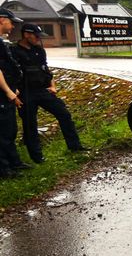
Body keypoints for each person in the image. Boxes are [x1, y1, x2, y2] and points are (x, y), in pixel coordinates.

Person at [11, 23, 89, 164]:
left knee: (64, 114)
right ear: (26, 34)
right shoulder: (13, 51)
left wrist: (52, 86)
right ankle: (37, 157)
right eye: (36, 36)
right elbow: (9, 74)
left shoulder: (39, 51)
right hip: (25, 93)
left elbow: (46, 70)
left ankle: (75, 146)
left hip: (42, 90)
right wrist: (14, 93)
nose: (38, 39)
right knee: (30, 125)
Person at [0, 8, 32, 177]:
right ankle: (4, 169)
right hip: (2, 95)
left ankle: (15, 163)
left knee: (10, 129)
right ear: (1, 20)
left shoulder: (1, 42)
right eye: (11, 22)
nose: (13, 26)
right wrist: (8, 91)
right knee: (3, 132)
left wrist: (13, 88)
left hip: (8, 92)